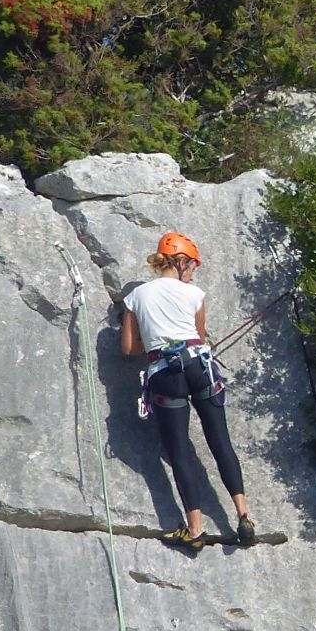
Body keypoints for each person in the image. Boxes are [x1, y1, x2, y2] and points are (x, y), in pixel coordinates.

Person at [120, 232, 257, 551]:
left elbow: (128, 348)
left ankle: (195, 530)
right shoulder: (194, 294)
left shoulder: (136, 297)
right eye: (193, 264)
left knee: (178, 451)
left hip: (164, 373)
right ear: (180, 262)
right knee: (220, 441)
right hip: (199, 365)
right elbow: (199, 336)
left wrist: (151, 342)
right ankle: (244, 516)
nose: (195, 271)